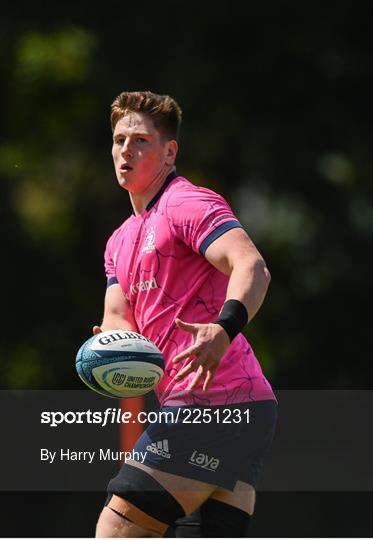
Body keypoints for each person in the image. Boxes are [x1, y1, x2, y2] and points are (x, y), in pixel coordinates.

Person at [94, 90, 277, 538]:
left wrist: (223, 328)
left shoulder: (187, 203)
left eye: (140, 140)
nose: (126, 151)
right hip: (235, 408)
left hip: (214, 404)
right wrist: (110, 352)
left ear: (169, 150)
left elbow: (251, 266)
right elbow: (120, 318)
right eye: (119, 140)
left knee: (116, 532)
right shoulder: (119, 240)